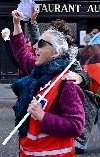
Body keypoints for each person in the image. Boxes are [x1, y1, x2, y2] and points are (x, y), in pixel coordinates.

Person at [11, 25, 85, 156]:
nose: (35, 47)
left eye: (41, 44)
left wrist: (42, 116)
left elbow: (76, 126)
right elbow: (22, 53)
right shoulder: (37, 72)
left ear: (56, 52)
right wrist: (17, 25)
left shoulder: (67, 84)